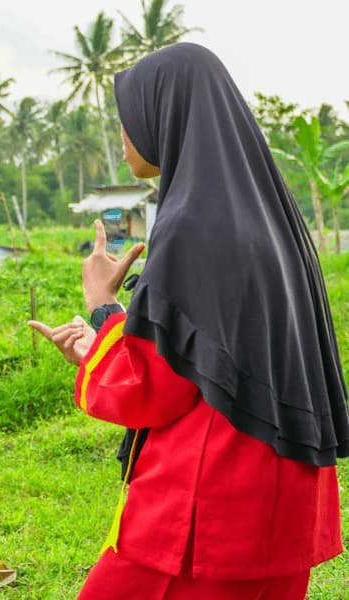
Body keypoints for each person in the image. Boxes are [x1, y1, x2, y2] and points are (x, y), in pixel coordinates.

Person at [29, 43, 348, 599]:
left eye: (129, 121)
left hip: (207, 503)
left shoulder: (189, 225)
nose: (124, 137)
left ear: (164, 118)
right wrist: (108, 339)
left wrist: (103, 306)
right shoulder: (277, 219)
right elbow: (213, 349)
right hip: (281, 496)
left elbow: (155, 388)